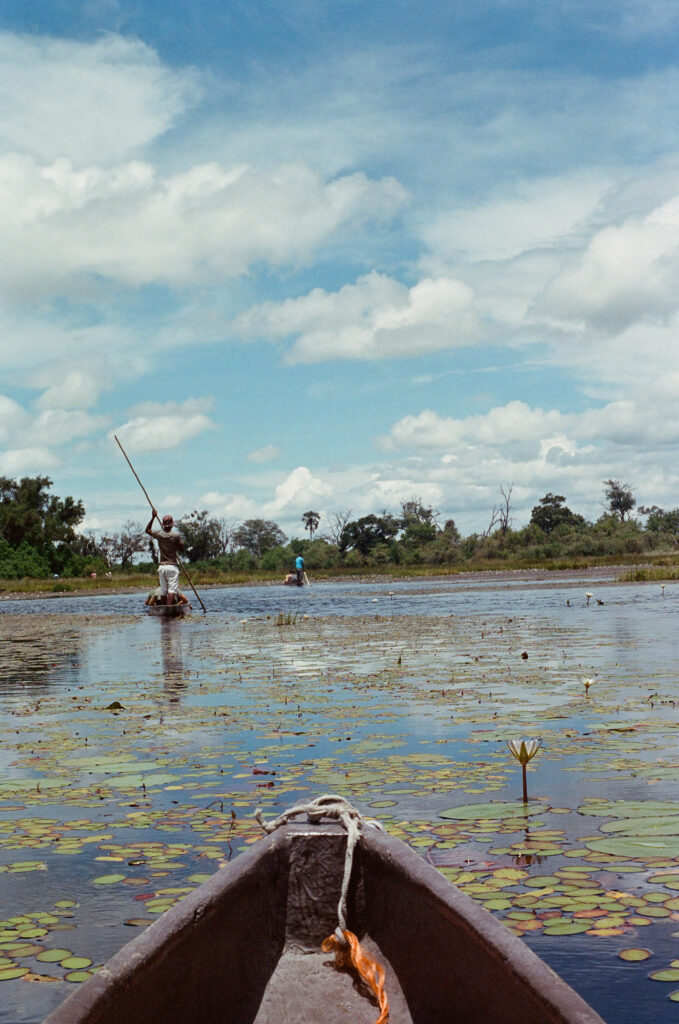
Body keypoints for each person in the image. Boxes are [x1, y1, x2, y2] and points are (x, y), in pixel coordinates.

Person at [145, 511, 185, 605]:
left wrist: (153, 517)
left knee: (163, 591)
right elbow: (181, 548)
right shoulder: (176, 536)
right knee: (171, 590)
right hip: (171, 567)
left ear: (163, 525)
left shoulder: (159, 534)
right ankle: (168, 609)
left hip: (162, 567)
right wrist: (175, 546)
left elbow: (147, 530)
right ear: (172, 525)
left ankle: (163, 610)